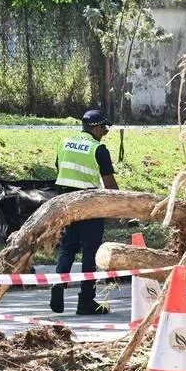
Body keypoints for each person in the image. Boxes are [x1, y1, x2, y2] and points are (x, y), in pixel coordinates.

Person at [50, 109, 119, 315]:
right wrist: (119, 206)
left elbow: (59, 168)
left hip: (66, 203)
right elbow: (109, 185)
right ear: (95, 127)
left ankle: (58, 286)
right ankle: (86, 302)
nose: (105, 133)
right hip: (89, 204)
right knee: (90, 252)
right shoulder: (98, 149)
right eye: (104, 128)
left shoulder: (64, 143)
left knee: (67, 247)